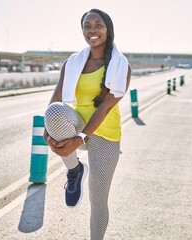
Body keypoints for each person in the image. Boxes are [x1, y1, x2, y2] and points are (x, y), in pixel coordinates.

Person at [43, 8, 131, 240]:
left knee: (98, 200)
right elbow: (57, 97)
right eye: (87, 26)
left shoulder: (121, 66)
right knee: (53, 112)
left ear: (107, 29)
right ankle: (75, 169)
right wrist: (48, 129)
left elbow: (105, 107)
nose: (92, 30)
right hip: (76, 122)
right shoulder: (72, 62)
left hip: (105, 133)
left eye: (98, 25)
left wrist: (79, 139)